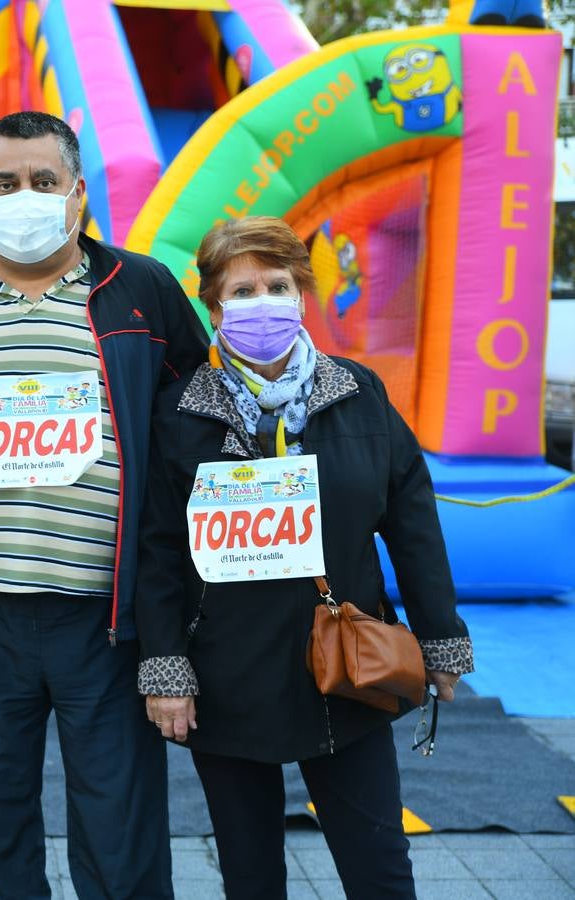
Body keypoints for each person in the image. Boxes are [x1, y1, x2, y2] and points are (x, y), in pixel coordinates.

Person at [0, 111, 207, 899]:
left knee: (121, 833)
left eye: (43, 181)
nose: (25, 195)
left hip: (108, 618)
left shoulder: (140, 289)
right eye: (6, 182)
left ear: (78, 192)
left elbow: (200, 425)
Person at [135, 215, 475, 900]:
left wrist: (441, 639)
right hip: (227, 673)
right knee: (251, 874)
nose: (263, 302)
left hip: (346, 669)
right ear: (213, 306)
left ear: (302, 293)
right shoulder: (178, 414)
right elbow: (159, 552)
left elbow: (413, 525)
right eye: (243, 290)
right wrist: (166, 668)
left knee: (380, 867)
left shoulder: (358, 393)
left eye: (278, 284)